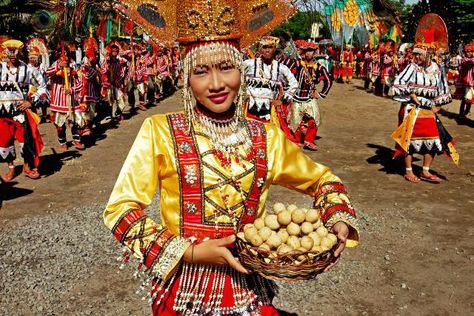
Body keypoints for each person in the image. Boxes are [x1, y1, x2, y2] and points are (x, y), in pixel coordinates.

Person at [105, 0, 359, 315]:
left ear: (241, 69)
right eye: (201, 71)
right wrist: (190, 253)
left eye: (226, 68)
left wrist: (337, 219)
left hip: (246, 287)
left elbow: (323, 180)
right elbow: (120, 210)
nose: (216, 84)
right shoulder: (160, 131)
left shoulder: (264, 135)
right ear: (186, 78)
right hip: (186, 288)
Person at [392, 29, 458, 183]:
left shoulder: (437, 70)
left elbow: (443, 90)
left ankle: (425, 171)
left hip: (428, 111)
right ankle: (408, 171)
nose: (416, 57)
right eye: (415, 54)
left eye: (419, 54)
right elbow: (398, 83)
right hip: (411, 110)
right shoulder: (412, 67)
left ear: (428, 54)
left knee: (433, 140)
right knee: (409, 140)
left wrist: (438, 105)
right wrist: (411, 94)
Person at [0, 39, 46, 180]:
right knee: (4, 141)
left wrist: (30, 101)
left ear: (20, 53)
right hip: (2, 111)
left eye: (15, 52)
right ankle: (11, 169)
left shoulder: (28, 70)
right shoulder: (0, 68)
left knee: (25, 141)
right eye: (10, 52)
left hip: (20, 111)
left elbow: (43, 86)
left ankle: (27, 167)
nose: (13, 55)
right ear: (5, 53)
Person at [288, 41, 332, 150]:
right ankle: (296, 141)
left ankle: (309, 140)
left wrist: (321, 94)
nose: (308, 54)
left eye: (311, 51)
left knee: (314, 119)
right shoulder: (298, 63)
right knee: (295, 120)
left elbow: (328, 81)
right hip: (296, 97)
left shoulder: (319, 67)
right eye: (306, 51)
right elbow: (286, 73)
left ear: (314, 52)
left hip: (309, 97)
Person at [243, 36, 298, 122]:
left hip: (269, 112)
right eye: (264, 47)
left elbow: (294, 83)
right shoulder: (249, 64)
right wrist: (242, 95)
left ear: (274, 48)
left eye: (270, 47)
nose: (267, 50)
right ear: (260, 49)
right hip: (248, 110)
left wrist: (282, 101)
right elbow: (235, 77)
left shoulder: (281, 68)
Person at [46, 44, 86, 150]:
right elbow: (47, 74)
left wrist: (72, 90)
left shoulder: (75, 65)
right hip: (59, 101)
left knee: (78, 121)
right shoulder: (55, 65)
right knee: (60, 124)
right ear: (58, 56)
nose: (65, 58)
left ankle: (76, 140)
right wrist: (59, 66)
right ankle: (62, 142)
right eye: (62, 56)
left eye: (67, 55)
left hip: (73, 100)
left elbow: (81, 82)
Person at [454, 41, 474, 119]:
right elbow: (469, 62)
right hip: (464, 82)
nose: (468, 53)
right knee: (464, 99)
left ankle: (465, 113)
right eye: (467, 52)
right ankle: (461, 114)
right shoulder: (463, 59)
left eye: (470, 52)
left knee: (469, 99)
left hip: (471, 82)